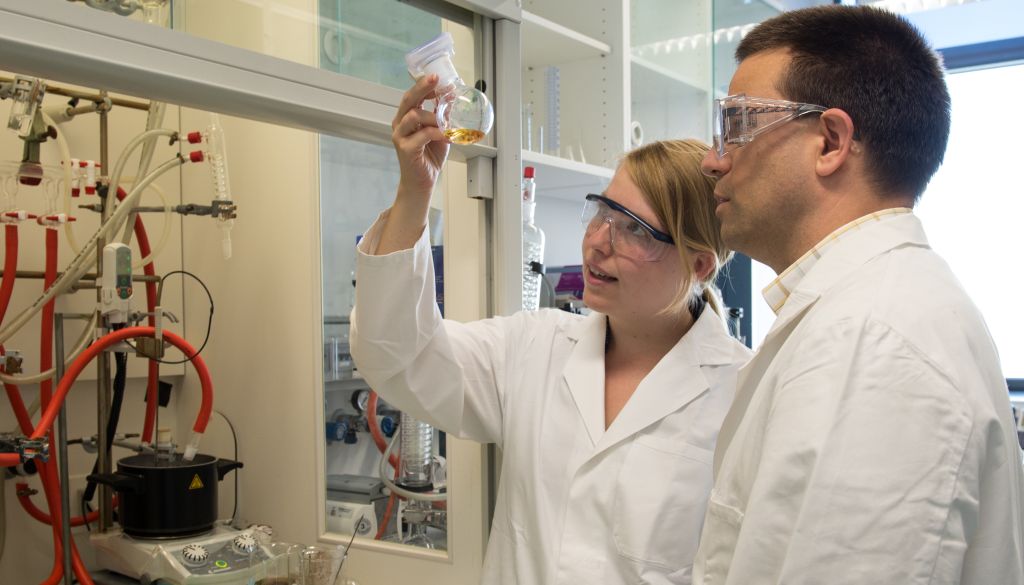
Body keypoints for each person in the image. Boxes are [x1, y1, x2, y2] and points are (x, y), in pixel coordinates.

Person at [350, 74, 751, 585]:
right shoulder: (534, 349)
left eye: (634, 229)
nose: (598, 241)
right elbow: (397, 357)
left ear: (698, 265)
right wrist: (415, 191)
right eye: (603, 211)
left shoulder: (743, 394)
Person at [692, 5, 1024, 585]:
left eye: (738, 124)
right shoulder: (864, 313)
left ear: (830, 142)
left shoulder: (875, 340)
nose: (712, 160)